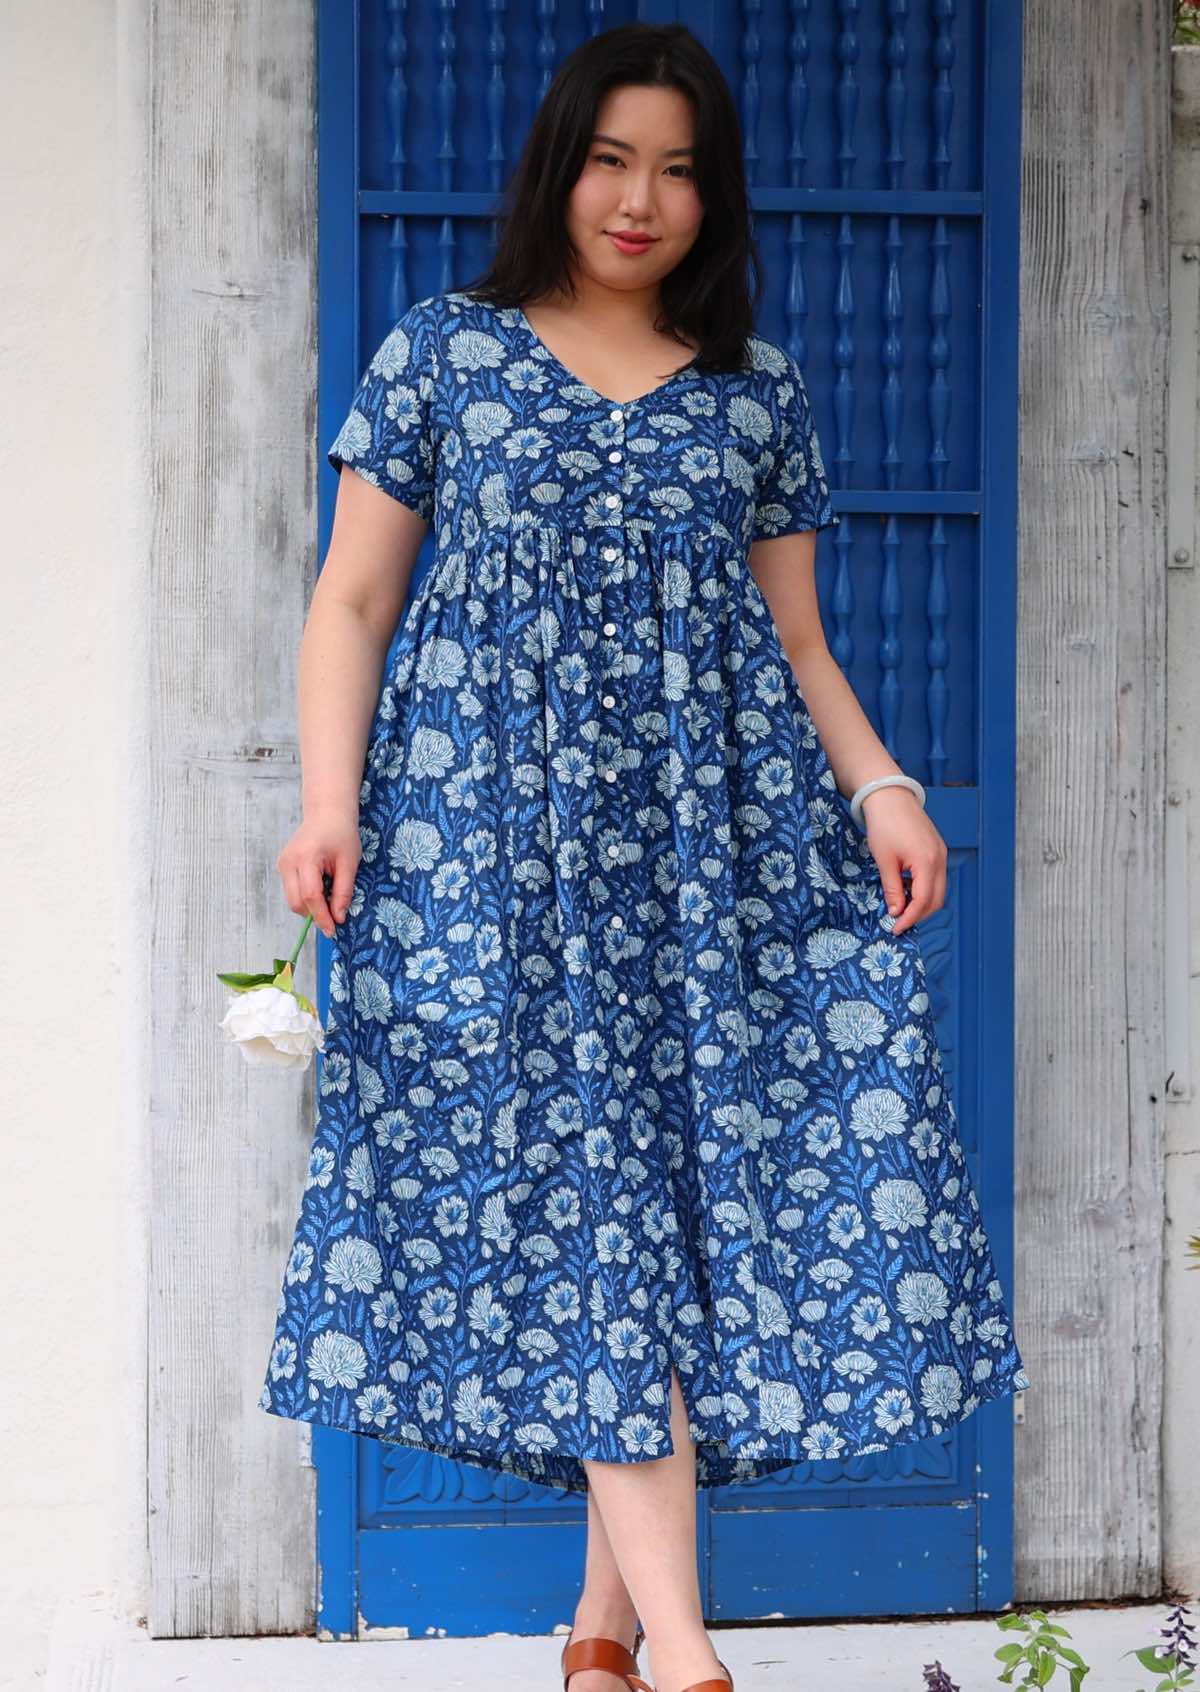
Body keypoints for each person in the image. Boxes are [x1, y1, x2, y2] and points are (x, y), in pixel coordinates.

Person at [259, 22, 1030, 1692]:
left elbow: (802, 642)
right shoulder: (446, 355)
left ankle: (608, 1637)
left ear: (714, 194)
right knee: (594, 1214)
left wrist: (886, 788)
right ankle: (685, 1656)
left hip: (714, 859)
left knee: (669, 1215)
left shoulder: (757, 391)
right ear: (561, 165)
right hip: (494, 852)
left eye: (680, 168)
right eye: (613, 158)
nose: (642, 198)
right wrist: (330, 804)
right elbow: (354, 598)